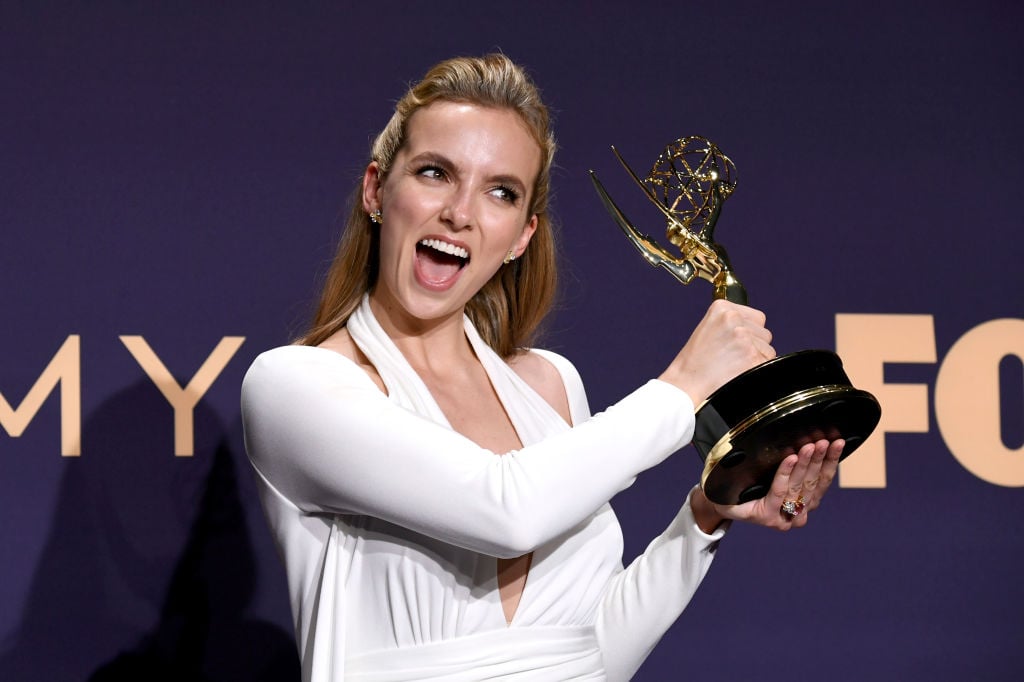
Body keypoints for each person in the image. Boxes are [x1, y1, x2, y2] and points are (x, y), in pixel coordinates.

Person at [241, 53, 843, 682]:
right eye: (435, 173)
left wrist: (706, 516)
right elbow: (506, 511)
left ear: (522, 236)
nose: (461, 212)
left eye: (500, 191)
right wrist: (682, 388)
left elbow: (590, 655)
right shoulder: (295, 387)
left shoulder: (550, 385)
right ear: (376, 191)